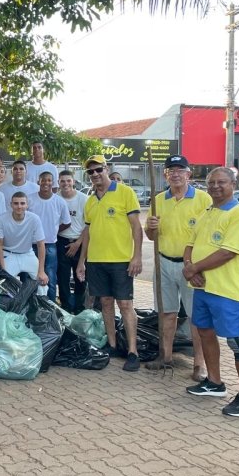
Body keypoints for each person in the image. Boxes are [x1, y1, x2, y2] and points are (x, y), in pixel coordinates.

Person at [183, 167, 239, 417]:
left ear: (233, 184)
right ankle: (215, 383)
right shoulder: (208, 211)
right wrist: (190, 269)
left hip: (227, 291)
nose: (215, 186)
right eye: (210, 182)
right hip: (203, 288)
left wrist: (194, 268)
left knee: (237, 342)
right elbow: (190, 244)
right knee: (204, 333)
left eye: (221, 182)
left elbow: (228, 252)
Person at [144, 155, 211, 378]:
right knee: (167, 313)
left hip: (191, 266)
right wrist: (151, 228)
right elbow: (151, 236)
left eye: (180, 170)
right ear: (165, 175)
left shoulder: (203, 200)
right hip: (163, 262)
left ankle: (199, 364)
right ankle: (166, 356)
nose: (175, 174)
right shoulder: (159, 199)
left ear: (188, 174)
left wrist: (198, 266)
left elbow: (209, 236)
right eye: (170, 170)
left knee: (196, 316)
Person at [77, 155, 143, 372]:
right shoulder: (90, 200)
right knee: (105, 303)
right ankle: (113, 346)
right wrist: (82, 261)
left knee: (125, 305)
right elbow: (87, 232)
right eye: (91, 172)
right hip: (96, 261)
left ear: (106, 169)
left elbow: (136, 227)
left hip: (121, 260)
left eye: (98, 170)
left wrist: (137, 256)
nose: (95, 175)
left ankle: (132, 352)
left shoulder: (125, 193)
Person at [29, 171, 71, 302]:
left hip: (50, 245)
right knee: (29, 279)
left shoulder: (59, 201)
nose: (46, 183)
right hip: (31, 245)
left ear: (52, 183)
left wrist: (54, 230)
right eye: (43, 180)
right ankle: (29, 306)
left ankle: (50, 307)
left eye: (48, 180)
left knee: (50, 280)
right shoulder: (30, 199)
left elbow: (67, 222)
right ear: (38, 182)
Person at [56, 170, 89, 313]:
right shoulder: (55, 198)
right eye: (62, 181)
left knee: (80, 277)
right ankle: (66, 308)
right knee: (62, 278)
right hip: (61, 241)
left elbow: (88, 225)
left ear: (73, 182)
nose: (66, 184)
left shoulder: (83, 199)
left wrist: (77, 243)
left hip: (80, 242)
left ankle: (79, 308)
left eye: (68, 181)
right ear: (58, 182)